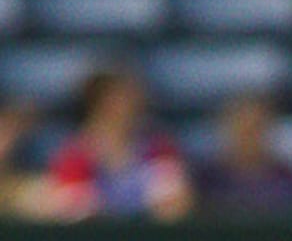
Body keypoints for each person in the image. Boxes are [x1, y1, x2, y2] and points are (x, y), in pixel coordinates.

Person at [44, 64, 194, 222]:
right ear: (98, 104)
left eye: (131, 98)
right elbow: (73, 211)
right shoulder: (74, 155)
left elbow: (176, 203)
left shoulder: (159, 147)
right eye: (119, 98)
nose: (129, 106)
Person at [196, 92, 292, 215]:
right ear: (224, 130)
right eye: (240, 128)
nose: (247, 138)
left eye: (255, 128)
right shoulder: (204, 183)